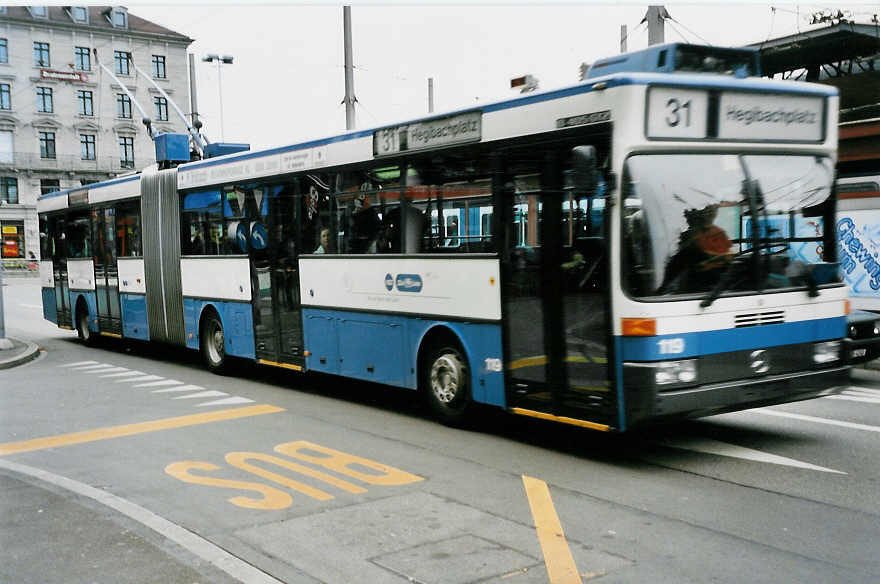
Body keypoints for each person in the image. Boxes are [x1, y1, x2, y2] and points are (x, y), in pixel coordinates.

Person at [659, 203, 732, 293]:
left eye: (713, 211)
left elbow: (728, 257)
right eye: (707, 211)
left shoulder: (720, 233)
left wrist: (712, 259)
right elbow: (678, 259)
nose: (710, 214)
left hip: (717, 281)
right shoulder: (685, 234)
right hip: (692, 281)